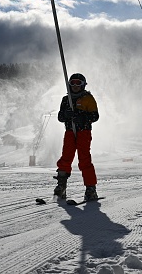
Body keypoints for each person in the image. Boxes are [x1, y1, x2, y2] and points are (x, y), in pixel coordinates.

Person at [55, 73, 100, 201]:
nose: (75, 86)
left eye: (78, 83)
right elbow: (60, 117)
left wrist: (82, 117)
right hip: (69, 132)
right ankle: (61, 186)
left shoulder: (88, 98)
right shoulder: (66, 99)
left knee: (84, 158)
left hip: (83, 132)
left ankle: (91, 188)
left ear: (83, 85)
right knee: (66, 157)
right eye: (72, 83)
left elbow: (95, 116)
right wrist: (66, 114)